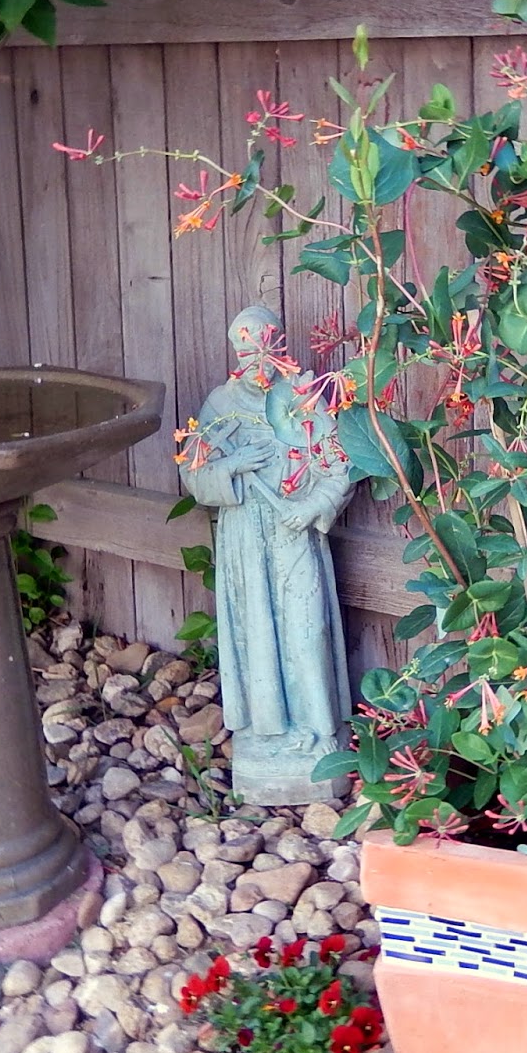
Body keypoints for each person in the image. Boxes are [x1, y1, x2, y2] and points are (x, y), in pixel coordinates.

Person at [177, 305, 355, 803]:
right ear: (235, 353)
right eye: (246, 351)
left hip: (294, 530)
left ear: (279, 346)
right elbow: (194, 473)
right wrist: (232, 464)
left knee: (304, 625)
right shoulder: (219, 405)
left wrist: (313, 505)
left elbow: (340, 465)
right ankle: (268, 729)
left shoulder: (304, 396)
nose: (257, 361)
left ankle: (318, 728)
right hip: (244, 539)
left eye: (265, 349)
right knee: (255, 628)